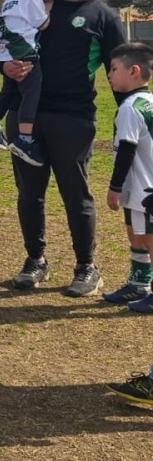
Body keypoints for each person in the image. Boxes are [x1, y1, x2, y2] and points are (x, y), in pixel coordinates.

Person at [0, 0, 127, 296]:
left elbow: (123, 72)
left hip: (74, 118)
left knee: (76, 194)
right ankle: (35, 260)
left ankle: (87, 266)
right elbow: (3, 42)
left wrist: (130, 112)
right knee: (29, 194)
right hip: (25, 117)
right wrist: (3, 65)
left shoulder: (104, 17)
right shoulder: (33, 6)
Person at [0, 0, 60, 166]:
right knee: (31, 93)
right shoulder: (32, 0)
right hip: (24, 51)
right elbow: (43, 25)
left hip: (6, 51)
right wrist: (48, 9)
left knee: (8, 90)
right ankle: (24, 139)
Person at [101, 43, 153, 311]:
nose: (109, 74)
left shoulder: (130, 107)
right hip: (144, 186)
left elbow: (127, 150)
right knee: (136, 232)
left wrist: (115, 186)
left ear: (134, 71)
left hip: (144, 188)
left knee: (149, 238)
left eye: (113, 68)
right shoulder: (149, 102)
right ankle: (139, 283)